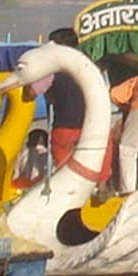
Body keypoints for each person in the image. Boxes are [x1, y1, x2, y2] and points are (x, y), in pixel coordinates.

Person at [42, 26, 88, 169]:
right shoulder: (88, 68)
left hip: (64, 126)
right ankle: (100, 190)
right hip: (88, 126)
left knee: (63, 169)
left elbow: (36, 93)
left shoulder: (53, 71)